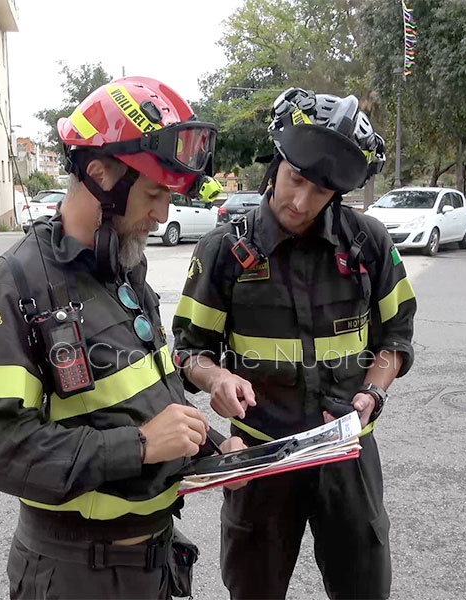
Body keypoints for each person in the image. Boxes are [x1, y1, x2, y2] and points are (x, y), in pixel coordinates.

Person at [0, 76, 242, 599]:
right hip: (74, 575)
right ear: (100, 175)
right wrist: (137, 446)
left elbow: (150, 399)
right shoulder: (15, 286)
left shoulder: (124, 268)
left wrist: (213, 449)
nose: (163, 214)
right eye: (154, 193)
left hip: (152, 566)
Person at [172, 87, 417, 599]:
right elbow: (188, 350)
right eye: (296, 179)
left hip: (346, 453)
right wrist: (214, 377)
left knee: (365, 587)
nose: (301, 202)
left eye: (321, 191)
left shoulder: (368, 243)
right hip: (259, 460)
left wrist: (373, 393)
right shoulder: (223, 251)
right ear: (277, 160)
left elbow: (396, 337)